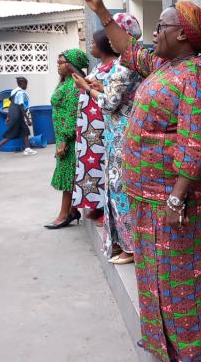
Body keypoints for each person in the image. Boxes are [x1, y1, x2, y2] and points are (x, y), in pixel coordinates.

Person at [81, 0, 201, 362]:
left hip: (176, 200)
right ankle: (163, 344)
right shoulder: (163, 66)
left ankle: (198, 351)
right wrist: (99, 9)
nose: (154, 32)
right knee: (153, 272)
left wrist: (178, 197)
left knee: (185, 276)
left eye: (161, 27)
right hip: (147, 195)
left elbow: (197, 141)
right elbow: (127, 49)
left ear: (182, 34)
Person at [72, 19, 142, 265]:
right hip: (116, 134)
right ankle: (121, 242)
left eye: (115, 33)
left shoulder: (126, 66)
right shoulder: (126, 62)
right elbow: (116, 93)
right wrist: (100, 85)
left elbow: (110, 103)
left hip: (123, 136)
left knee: (120, 190)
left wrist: (87, 88)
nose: (110, 38)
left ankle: (130, 247)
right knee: (114, 189)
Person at [45, 49, 88, 230]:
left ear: (71, 65)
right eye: (58, 62)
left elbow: (71, 116)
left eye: (61, 62)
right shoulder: (67, 82)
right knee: (69, 177)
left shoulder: (73, 86)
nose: (58, 66)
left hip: (68, 140)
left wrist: (63, 141)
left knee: (68, 178)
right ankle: (71, 210)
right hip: (62, 137)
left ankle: (65, 214)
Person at [71, 34, 111, 217]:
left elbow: (108, 98)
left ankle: (105, 208)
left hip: (100, 128)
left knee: (101, 166)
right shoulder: (99, 67)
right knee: (90, 166)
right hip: (88, 128)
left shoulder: (115, 68)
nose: (90, 45)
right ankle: (95, 204)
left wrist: (87, 86)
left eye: (93, 43)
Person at [0, 76, 37, 157]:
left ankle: (27, 149)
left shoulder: (14, 91)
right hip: (18, 115)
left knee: (25, 131)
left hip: (14, 114)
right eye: (26, 84)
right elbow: (21, 106)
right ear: (21, 84)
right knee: (12, 133)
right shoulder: (20, 93)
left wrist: (8, 116)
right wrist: (27, 119)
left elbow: (11, 105)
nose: (26, 86)